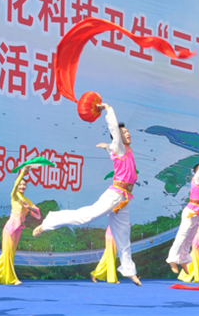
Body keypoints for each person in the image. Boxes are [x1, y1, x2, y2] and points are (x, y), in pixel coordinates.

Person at [32, 103, 142, 286]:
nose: (128, 134)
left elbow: (112, 147)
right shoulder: (120, 148)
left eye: (128, 132)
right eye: (124, 133)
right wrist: (108, 109)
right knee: (86, 217)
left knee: (123, 235)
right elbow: (113, 131)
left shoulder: (124, 150)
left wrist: (105, 146)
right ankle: (49, 222)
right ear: (118, 137)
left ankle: (130, 271)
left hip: (124, 199)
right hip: (115, 195)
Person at [0, 166, 40, 285]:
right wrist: (23, 171)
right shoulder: (14, 196)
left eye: (24, 185)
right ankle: (12, 279)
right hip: (10, 228)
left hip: (18, 229)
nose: (22, 186)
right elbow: (15, 187)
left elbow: (38, 214)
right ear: (17, 185)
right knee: (7, 254)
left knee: (9, 254)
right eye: (20, 184)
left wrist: (28, 207)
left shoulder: (26, 200)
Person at [166, 146, 199, 275]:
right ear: (197, 172)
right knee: (182, 235)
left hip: (198, 214)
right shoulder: (197, 179)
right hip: (191, 212)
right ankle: (172, 259)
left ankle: (183, 259)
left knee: (189, 238)